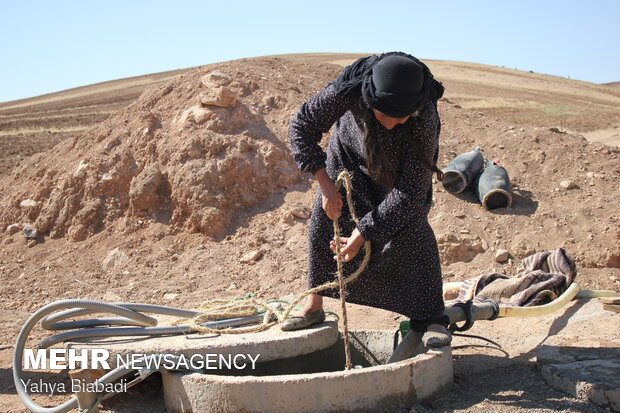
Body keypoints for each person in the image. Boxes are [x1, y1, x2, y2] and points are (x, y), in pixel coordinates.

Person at [284, 52, 451, 347]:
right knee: (325, 224)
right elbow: (302, 126)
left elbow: (410, 193)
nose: (390, 124)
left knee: (411, 231)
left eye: (400, 118)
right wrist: (326, 186)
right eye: (383, 115)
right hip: (347, 161)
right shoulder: (349, 90)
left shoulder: (424, 116)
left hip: (399, 177)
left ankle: (431, 318)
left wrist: (363, 233)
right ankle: (314, 304)